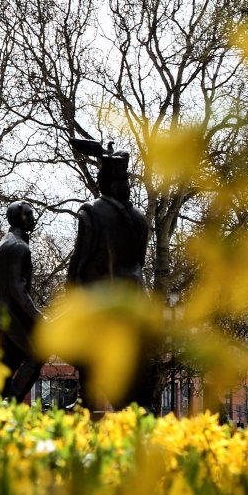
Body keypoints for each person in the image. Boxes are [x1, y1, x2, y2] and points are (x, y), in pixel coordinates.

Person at [68, 141, 157, 411]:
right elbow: (138, 262)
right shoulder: (140, 219)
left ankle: (88, 401)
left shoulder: (91, 212)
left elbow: (80, 259)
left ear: (102, 181)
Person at [0, 201, 44, 401]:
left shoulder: (2, 244)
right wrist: (37, 317)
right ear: (15, 219)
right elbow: (18, 289)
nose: (32, 218)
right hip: (12, 315)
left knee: (9, 361)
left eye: (32, 214)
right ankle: (10, 402)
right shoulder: (19, 247)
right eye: (27, 215)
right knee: (38, 354)